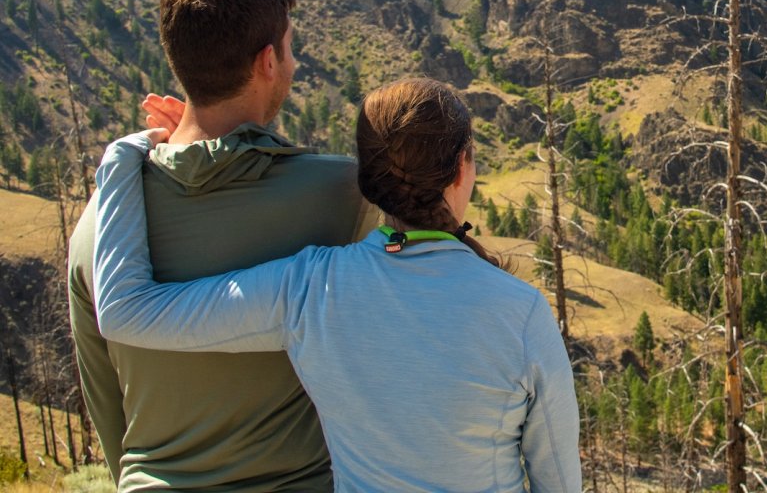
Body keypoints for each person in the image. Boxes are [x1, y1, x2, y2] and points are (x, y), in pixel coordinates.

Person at [91, 78, 582, 492]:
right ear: (461, 167)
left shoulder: (310, 290)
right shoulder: (520, 312)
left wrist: (125, 156)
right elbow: (557, 479)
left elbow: (126, 313)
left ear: (368, 179)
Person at [67, 0, 376, 490]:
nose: (295, 64)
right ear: (266, 62)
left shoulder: (99, 225)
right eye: (290, 48)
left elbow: (109, 412)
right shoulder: (341, 196)